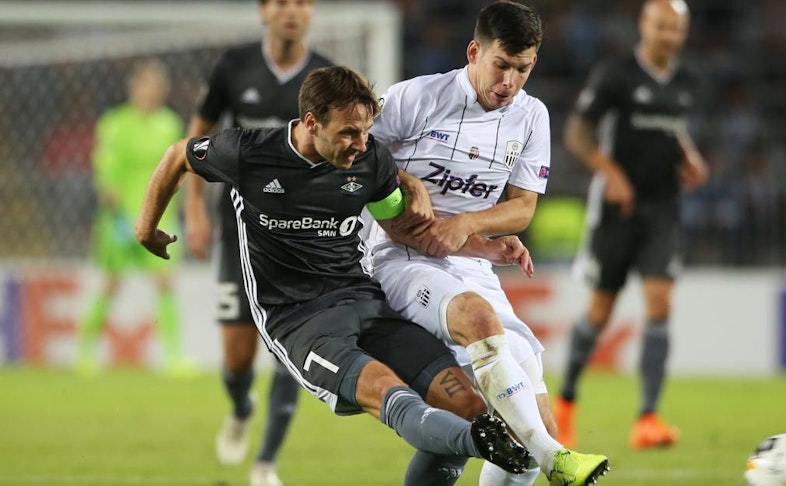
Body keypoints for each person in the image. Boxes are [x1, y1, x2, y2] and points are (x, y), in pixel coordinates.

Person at [137, 65, 534, 485]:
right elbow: (177, 156)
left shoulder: (371, 160)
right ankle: (481, 441)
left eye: (365, 132)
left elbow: (403, 229)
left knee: (468, 406)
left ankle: (478, 435)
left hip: (364, 301)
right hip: (298, 321)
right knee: (390, 395)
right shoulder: (248, 153)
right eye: (348, 133)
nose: (361, 144)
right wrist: (146, 228)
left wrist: (487, 245)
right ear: (311, 123)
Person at [363, 2, 609, 485]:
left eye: (522, 69)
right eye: (501, 65)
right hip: (396, 259)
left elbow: (522, 207)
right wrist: (404, 181)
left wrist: (467, 227)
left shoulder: (532, 116)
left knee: (526, 425)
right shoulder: (416, 97)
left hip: (471, 266)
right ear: (475, 52)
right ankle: (554, 455)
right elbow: (354, 153)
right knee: (479, 337)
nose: (509, 82)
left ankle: (547, 447)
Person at [182, 1, 333, 483]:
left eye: (302, 3)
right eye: (282, 2)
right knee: (238, 357)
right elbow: (198, 134)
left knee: (290, 344)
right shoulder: (235, 65)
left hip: (300, 236)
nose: (293, 11)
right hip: (240, 229)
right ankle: (241, 406)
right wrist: (193, 208)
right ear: (264, 11)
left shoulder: (326, 75)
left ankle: (266, 462)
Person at [554, 0, 710, 450]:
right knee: (601, 311)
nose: (667, 35)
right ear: (645, 25)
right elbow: (578, 133)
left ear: (683, 32)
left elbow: (669, 127)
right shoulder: (616, 74)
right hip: (617, 212)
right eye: (660, 26)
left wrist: (689, 156)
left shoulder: (685, 81)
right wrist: (612, 173)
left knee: (660, 304)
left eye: (675, 29)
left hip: (663, 207)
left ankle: (648, 418)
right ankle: (565, 406)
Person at [76, 59, 191, 376]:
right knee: (111, 284)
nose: (151, 92)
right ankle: (84, 353)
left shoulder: (169, 124)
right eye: (145, 85)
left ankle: (173, 356)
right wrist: (113, 203)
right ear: (133, 88)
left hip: (158, 217)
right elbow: (105, 168)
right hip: (120, 219)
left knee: (166, 283)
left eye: (157, 87)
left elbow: (176, 170)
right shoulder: (113, 124)